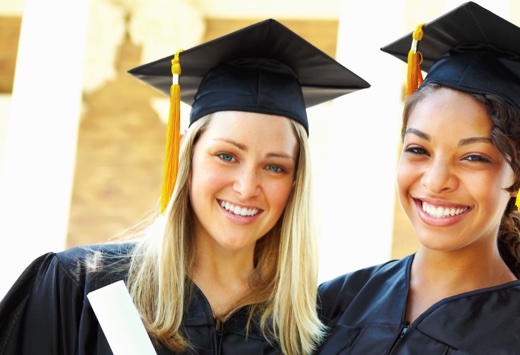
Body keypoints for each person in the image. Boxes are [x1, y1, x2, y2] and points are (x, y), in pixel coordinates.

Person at [0, 19, 369, 355]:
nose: (246, 187)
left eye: (275, 166)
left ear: (295, 181)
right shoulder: (78, 289)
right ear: (185, 155)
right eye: (226, 156)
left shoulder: (311, 334)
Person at [315, 2, 520, 354]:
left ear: (519, 174)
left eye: (473, 157)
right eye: (418, 150)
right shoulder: (332, 304)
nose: (436, 180)